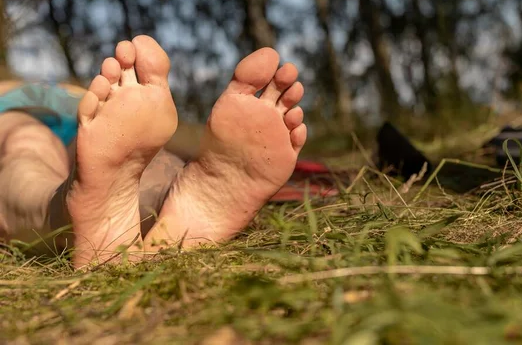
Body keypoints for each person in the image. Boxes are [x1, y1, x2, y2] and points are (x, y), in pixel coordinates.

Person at [0, 35, 307, 268]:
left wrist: (207, 156)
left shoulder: (93, 95)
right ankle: (69, 212)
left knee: (149, 156)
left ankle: (182, 197)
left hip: (95, 120)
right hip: (17, 117)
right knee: (28, 143)